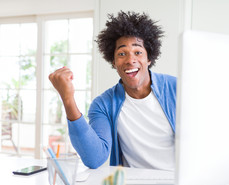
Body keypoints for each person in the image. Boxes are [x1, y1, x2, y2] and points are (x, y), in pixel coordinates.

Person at [49, 11, 176, 170]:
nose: (130, 60)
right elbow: (94, 158)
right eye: (122, 54)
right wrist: (68, 100)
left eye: (138, 52)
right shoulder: (103, 105)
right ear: (114, 62)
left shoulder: (178, 89)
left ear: (149, 58)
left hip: (179, 182)